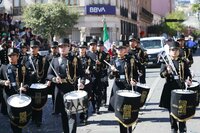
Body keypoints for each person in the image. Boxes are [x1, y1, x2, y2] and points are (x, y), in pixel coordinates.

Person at [47, 38, 85, 133]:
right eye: (60, 47)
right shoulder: (54, 60)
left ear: (69, 47)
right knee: (63, 115)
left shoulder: (75, 59)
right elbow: (49, 75)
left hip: (71, 89)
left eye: (64, 46)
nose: (62, 48)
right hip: (59, 90)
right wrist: (54, 79)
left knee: (72, 115)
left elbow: (82, 74)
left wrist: (81, 82)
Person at [159, 41, 192, 133]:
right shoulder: (165, 61)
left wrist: (188, 80)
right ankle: (173, 127)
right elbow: (161, 74)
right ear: (169, 51)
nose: (174, 52)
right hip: (170, 88)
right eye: (172, 50)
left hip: (181, 88)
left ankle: (182, 127)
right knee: (172, 110)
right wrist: (167, 71)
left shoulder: (183, 61)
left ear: (179, 51)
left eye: (176, 50)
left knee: (182, 109)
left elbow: (188, 74)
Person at [108, 40, 139, 133]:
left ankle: (129, 129)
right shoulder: (113, 60)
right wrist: (112, 71)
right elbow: (109, 76)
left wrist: (134, 80)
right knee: (120, 111)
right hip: (118, 87)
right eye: (119, 49)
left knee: (129, 110)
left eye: (122, 49)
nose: (120, 51)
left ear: (126, 50)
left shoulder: (131, 59)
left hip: (128, 87)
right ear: (116, 50)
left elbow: (135, 73)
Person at [0, 48, 29, 133]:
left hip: (20, 94)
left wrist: (25, 87)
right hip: (9, 95)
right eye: (9, 56)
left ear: (17, 56)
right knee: (12, 114)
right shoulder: (3, 67)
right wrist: (4, 82)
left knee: (21, 113)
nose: (11, 57)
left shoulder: (22, 67)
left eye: (13, 55)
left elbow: (29, 80)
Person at [25, 40, 46, 127]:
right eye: (32, 48)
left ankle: (38, 120)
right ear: (29, 48)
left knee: (38, 102)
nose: (33, 49)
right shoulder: (25, 59)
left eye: (35, 48)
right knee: (30, 101)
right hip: (30, 84)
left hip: (39, 84)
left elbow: (45, 71)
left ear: (38, 48)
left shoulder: (42, 59)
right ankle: (32, 118)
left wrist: (45, 82)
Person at [77, 41, 94, 125]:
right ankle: (80, 116)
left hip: (87, 81)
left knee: (86, 99)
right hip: (77, 81)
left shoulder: (89, 59)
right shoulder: (75, 58)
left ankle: (84, 117)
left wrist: (89, 70)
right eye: (81, 48)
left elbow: (93, 69)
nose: (82, 50)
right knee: (79, 99)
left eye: (83, 48)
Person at [44, 41, 59, 115]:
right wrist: (48, 79)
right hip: (51, 77)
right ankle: (55, 108)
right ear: (50, 48)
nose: (54, 49)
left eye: (56, 48)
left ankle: (58, 108)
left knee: (58, 94)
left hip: (58, 77)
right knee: (53, 94)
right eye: (53, 48)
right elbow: (45, 69)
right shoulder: (47, 57)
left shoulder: (60, 56)